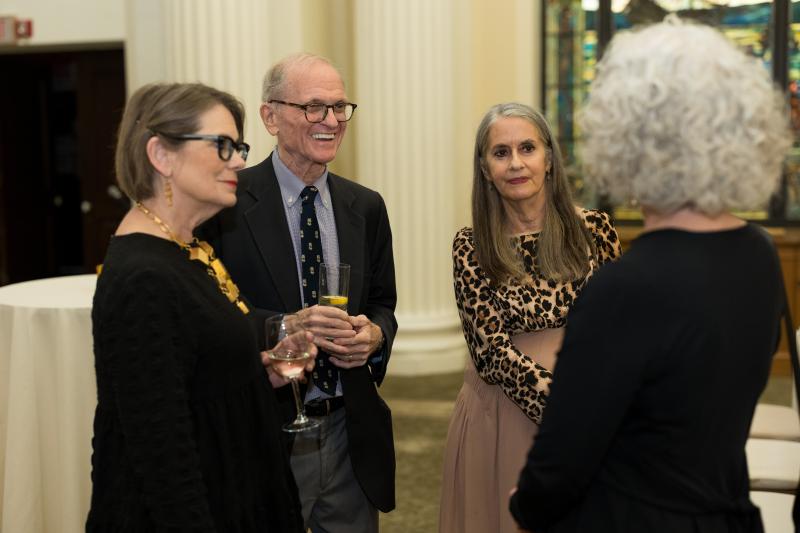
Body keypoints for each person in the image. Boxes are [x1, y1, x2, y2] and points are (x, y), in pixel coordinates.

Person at [510, 17, 792, 533]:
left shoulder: (625, 288)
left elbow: (560, 464)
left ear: (624, 140)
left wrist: (525, 505)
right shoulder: (760, 253)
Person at [86, 82, 310, 532]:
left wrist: (254, 370)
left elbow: (188, 370)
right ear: (161, 155)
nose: (239, 161)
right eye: (222, 145)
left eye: (239, 147)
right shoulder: (142, 277)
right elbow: (162, 455)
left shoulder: (188, 248)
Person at [199, 53, 397, 532]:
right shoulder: (226, 204)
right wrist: (285, 325)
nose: (331, 121)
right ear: (271, 117)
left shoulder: (366, 206)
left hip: (349, 429)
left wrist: (374, 337)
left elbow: (383, 304)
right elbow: (208, 316)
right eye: (313, 107)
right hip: (264, 430)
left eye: (339, 107)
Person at [438, 102, 622, 533]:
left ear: (549, 158)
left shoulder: (596, 230)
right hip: (503, 415)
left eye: (527, 148)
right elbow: (491, 354)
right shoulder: (471, 245)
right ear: (485, 169)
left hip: (589, 407)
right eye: (500, 153)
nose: (516, 163)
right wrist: (564, 412)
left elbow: (620, 331)